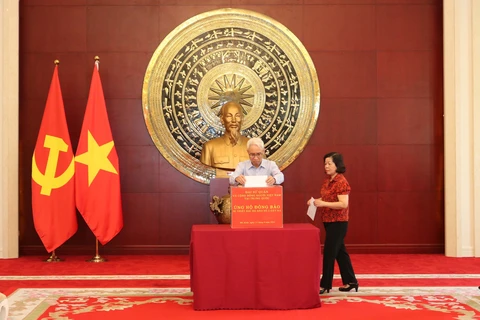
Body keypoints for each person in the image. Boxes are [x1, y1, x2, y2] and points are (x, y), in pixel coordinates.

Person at [307, 152, 358, 294]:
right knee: (340, 253)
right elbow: (327, 198)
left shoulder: (341, 182)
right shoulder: (327, 180)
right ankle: (351, 281)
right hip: (328, 221)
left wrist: (322, 203)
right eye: (325, 163)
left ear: (338, 165)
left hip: (338, 222)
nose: (326, 166)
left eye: (330, 163)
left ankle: (325, 284)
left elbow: (343, 204)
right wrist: (315, 202)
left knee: (329, 253)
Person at [200, 101, 249, 173]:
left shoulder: (255, 147)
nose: (234, 120)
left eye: (237, 116)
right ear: (222, 120)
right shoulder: (209, 147)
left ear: (242, 119)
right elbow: (205, 174)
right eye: (229, 116)